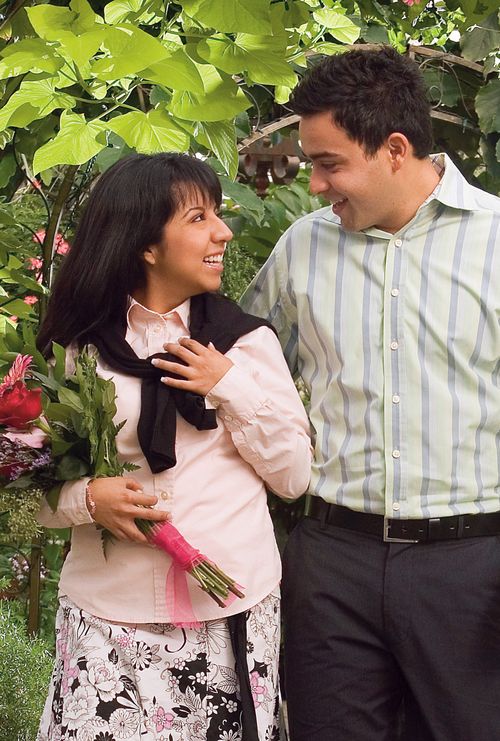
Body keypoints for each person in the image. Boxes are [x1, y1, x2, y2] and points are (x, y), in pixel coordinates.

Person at [241, 46, 500, 741]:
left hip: (473, 566)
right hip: (331, 563)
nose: (317, 184)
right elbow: (242, 372)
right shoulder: (301, 247)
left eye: (330, 164)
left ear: (393, 149)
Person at [36, 153, 311, 741]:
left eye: (217, 214)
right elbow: (23, 486)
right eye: (198, 217)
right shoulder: (74, 349)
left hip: (229, 608)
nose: (223, 232)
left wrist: (228, 385)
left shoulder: (244, 342)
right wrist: (87, 499)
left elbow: (293, 475)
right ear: (145, 243)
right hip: (106, 619)